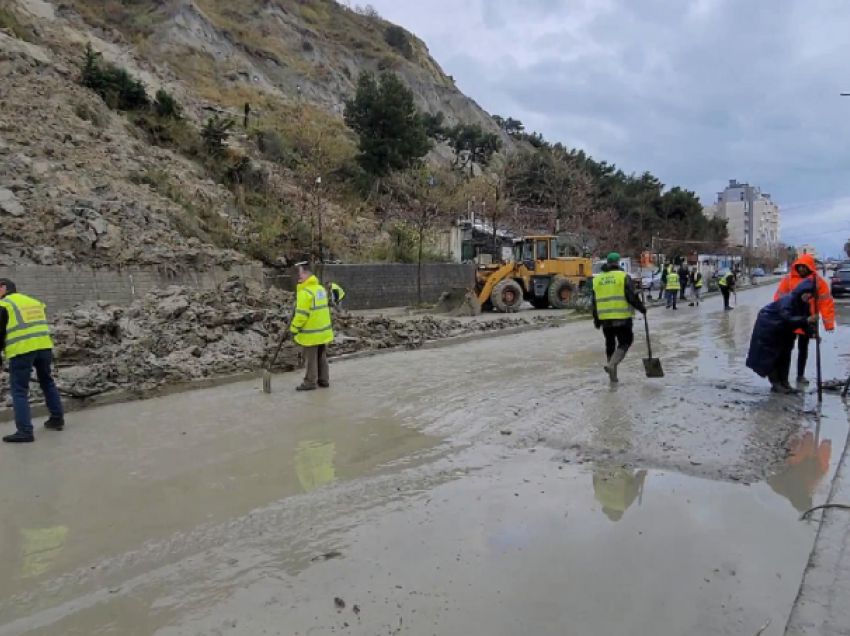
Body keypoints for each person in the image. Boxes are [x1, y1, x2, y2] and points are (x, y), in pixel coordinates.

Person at [0, 279, 64, 443]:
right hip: (43, 347)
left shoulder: (5, 305)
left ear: (3, 288)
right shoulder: (33, 302)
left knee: (19, 390)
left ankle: (25, 431)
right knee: (47, 382)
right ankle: (57, 419)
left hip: (22, 350)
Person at [746, 278, 817, 394]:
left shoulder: (804, 305)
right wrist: (806, 319)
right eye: (806, 292)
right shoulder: (787, 300)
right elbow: (787, 318)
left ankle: (784, 382)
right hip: (769, 328)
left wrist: (812, 333)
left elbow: (804, 323)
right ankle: (776, 383)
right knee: (771, 357)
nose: (808, 296)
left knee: (785, 356)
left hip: (785, 331)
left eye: (810, 294)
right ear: (801, 291)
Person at [773, 253, 835, 384]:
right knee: (786, 349)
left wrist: (828, 323)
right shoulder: (788, 279)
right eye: (799, 266)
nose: (801, 269)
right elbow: (779, 298)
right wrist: (778, 316)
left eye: (804, 267)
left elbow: (825, 301)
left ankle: (800, 376)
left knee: (803, 348)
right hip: (791, 319)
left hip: (809, 319)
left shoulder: (817, 281)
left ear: (810, 267)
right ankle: (783, 379)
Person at [592, 252, 647, 382]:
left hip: (605, 318)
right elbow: (631, 296)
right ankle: (611, 365)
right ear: (618, 262)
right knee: (626, 341)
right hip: (622, 318)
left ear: (607, 262)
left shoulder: (597, 279)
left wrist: (596, 319)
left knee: (610, 344)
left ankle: (613, 376)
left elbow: (594, 302)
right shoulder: (623, 277)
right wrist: (641, 308)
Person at [289, 264, 334, 391]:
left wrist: (293, 329)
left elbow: (301, 315)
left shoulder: (305, 292)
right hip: (323, 331)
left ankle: (309, 382)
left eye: (301, 273)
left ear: (307, 274)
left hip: (311, 333)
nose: (299, 275)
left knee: (310, 359)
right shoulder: (319, 289)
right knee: (321, 356)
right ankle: (323, 380)